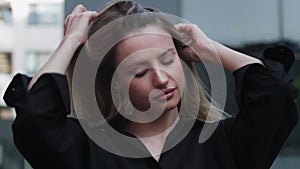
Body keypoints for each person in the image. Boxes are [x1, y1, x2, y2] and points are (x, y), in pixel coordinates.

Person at [3, 1, 298, 169]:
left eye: (168, 59)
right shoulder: (85, 151)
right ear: (116, 86)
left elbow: (275, 94)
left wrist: (209, 49)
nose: (161, 78)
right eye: (140, 71)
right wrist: (71, 41)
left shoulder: (223, 142)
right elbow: (35, 117)